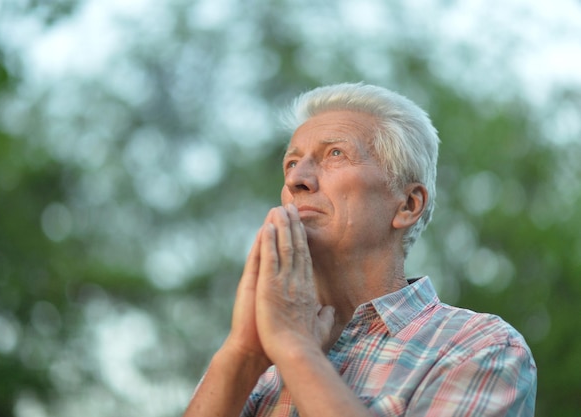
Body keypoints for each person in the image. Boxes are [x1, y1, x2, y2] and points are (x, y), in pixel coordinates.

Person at [183, 82, 537, 416]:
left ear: (407, 205)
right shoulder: (256, 364)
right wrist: (242, 353)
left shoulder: (479, 348)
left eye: (335, 154)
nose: (296, 180)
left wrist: (295, 349)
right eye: (291, 163)